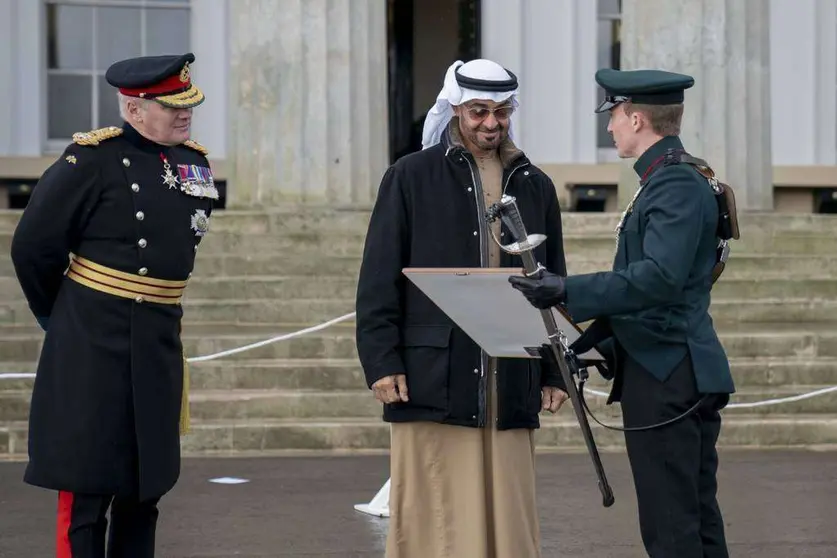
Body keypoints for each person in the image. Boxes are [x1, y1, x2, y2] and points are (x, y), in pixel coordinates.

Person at [509, 68, 735, 558]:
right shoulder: (667, 179)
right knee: (691, 518)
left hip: (670, 374)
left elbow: (660, 278)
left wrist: (564, 289)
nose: (609, 127)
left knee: (672, 526)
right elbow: (660, 295)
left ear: (635, 118)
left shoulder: (673, 184)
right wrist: (595, 346)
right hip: (667, 366)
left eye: (613, 116)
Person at [355, 59, 569, 558]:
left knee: (509, 516)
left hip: (511, 376)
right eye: (478, 112)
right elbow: (378, 277)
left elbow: (553, 282)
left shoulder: (535, 183)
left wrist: (558, 371)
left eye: (500, 112)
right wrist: (382, 361)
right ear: (455, 107)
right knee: (435, 519)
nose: (490, 123)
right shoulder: (410, 176)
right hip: (433, 373)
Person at [10, 52, 217, 558]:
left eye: (187, 104)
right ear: (133, 109)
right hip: (92, 342)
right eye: (171, 106)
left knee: (144, 487)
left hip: (157, 339)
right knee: (86, 487)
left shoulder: (194, 160)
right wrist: (60, 319)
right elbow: (33, 246)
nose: (184, 113)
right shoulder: (91, 159)